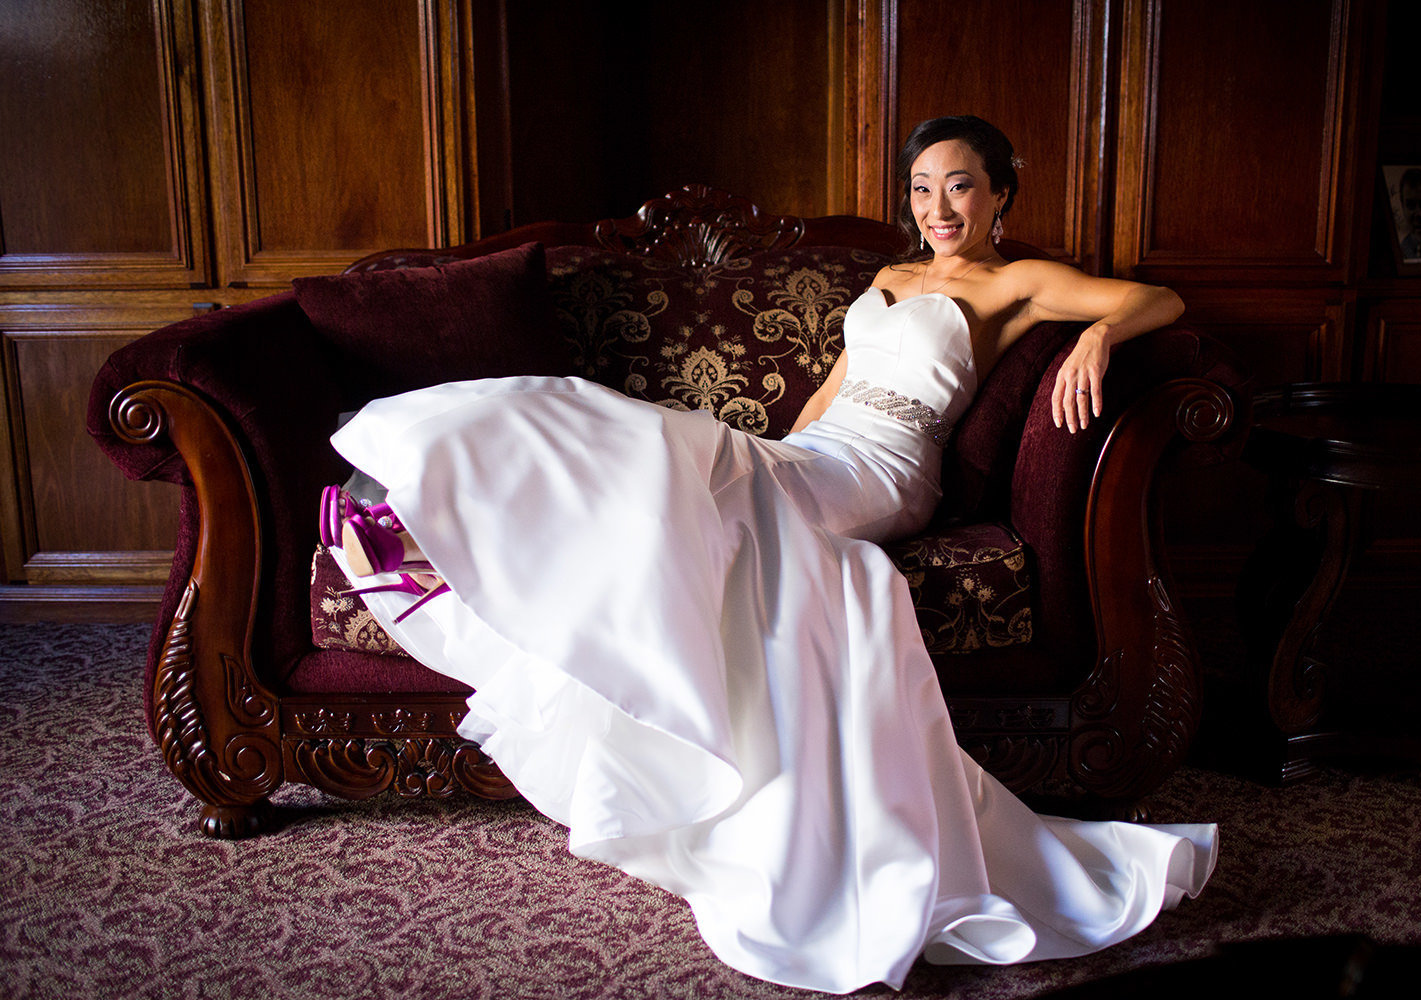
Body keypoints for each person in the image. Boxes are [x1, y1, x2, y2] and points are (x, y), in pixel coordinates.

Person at [325, 115, 1216, 993]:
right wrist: (757, 454)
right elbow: (828, 395)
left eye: (958, 186)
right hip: (818, 455)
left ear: (998, 196)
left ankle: (429, 502)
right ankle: (432, 510)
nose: (938, 206)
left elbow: (1159, 302)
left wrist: (1099, 334)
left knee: (640, 444)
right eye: (921, 187)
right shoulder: (890, 275)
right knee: (671, 469)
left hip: (891, 468)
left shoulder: (1011, 281)